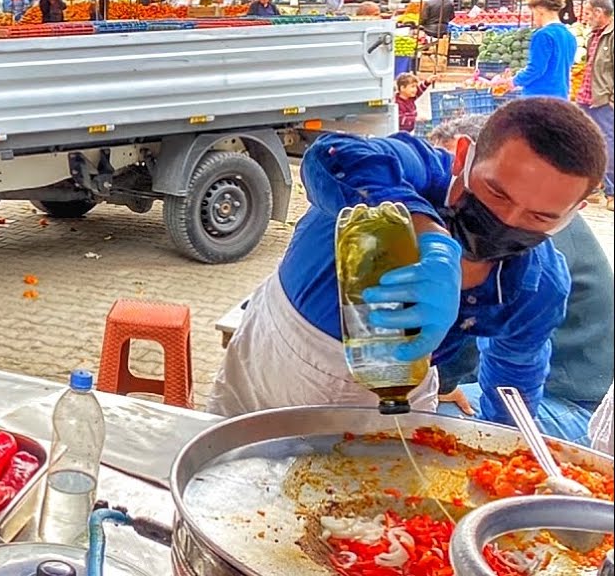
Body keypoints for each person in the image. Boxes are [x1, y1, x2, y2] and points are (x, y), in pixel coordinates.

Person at [205, 98, 609, 426]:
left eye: (540, 217)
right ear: (463, 158)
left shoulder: (536, 286)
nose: (508, 222)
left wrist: (507, 450)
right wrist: (428, 234)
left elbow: (514, 384)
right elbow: (330, 157)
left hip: (391, 404)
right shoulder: (412, 169)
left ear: (575, 211)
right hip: (272, 366)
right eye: (497, 194)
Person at [427, 113, 615, 443]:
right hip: (538, 384)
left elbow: (472, 342)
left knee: (420, 422)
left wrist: (442, 382)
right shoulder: (531, 215)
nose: (447, 195)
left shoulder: (524, 241)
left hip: (569, 404)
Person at [496, 0, 578, 99]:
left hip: (539, 97)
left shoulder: (543, 35)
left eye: (533, 13)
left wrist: (514, 81)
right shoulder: (569, 36)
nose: (534, 18)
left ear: (540, 10)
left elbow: (536, 68)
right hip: (561, 96)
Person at [577, 0, 614, 211]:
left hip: (603, 100)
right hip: (586, 98)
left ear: (600, 13)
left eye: (589, 13)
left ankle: (611, 192)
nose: (586, 18)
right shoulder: (595, 35)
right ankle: (591, 185)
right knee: (586, 143)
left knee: (608, 144)